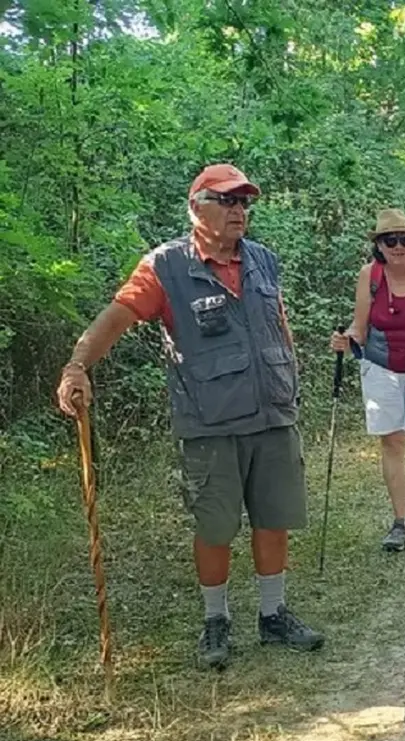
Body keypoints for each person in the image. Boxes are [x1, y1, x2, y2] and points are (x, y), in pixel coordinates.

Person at [54, 164, 324, 670]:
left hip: (273, 415)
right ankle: (215, 620)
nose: (239, 210)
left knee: (274, 519)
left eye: (244, 202)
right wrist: (77, 365)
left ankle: (273, 615)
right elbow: (116, 318)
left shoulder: (263, 260)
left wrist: (290, 379)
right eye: (227, 200)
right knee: (215, 526)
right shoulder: (165, 266)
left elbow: (278, 325)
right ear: (196, 208)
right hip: (210, 424)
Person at [330, 209, 405, 552]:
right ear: (379, 245)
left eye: (404, 239)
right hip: (381, 366)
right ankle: (401, 522)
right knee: (392, 442)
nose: (398, 246)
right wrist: (346, 339)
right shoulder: (370, 275)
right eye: (390, 240)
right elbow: (360, 327)